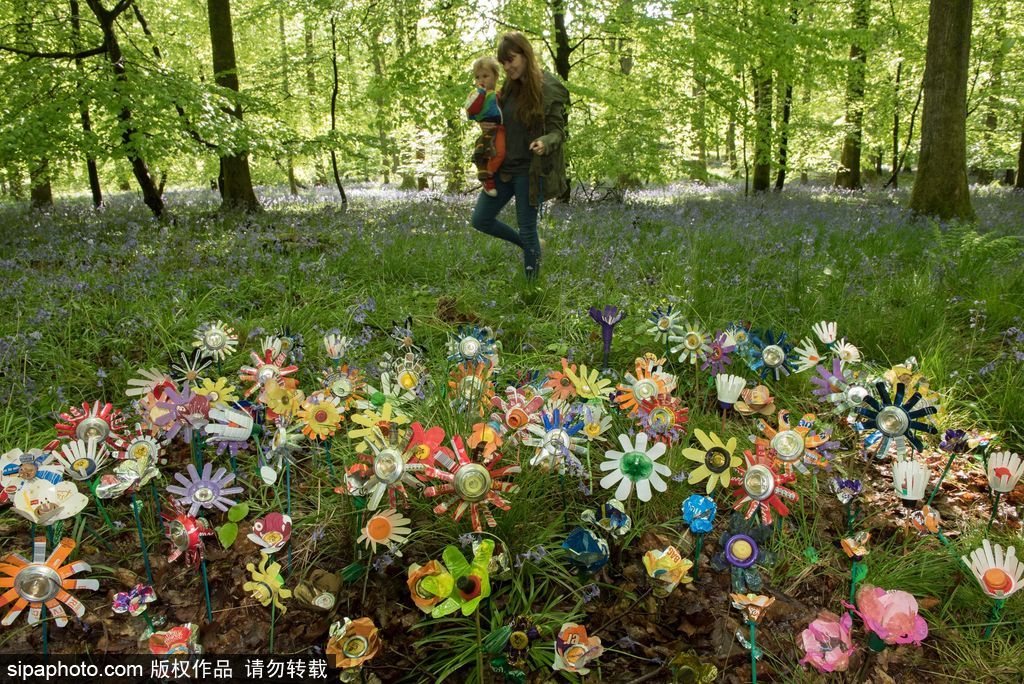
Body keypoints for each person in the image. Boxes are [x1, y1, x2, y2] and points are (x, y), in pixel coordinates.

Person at [470, 32, 568, 285]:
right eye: (503, 62)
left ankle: (532, 289)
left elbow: (559, 132)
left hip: (529, 172)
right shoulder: (509, 89)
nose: (506, 67)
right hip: (504, 169)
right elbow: (499, 120)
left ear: (525, 55)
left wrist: (545, 143)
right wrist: (486, 127)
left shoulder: (549, 88)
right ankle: (531, 246)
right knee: (480, 220)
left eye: (510, 60)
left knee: (528, 228)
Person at [465, 57, 504, 196]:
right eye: (477, 77)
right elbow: (471, 111)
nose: (481, 80)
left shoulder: (501, 93)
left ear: (496, 76)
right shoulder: (476, 95)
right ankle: (487, 177)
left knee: (499, 151)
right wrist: (480, 122)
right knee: (491, 151)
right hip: (491, 131)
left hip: (503, 129)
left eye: (486, 76)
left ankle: (488, 173)